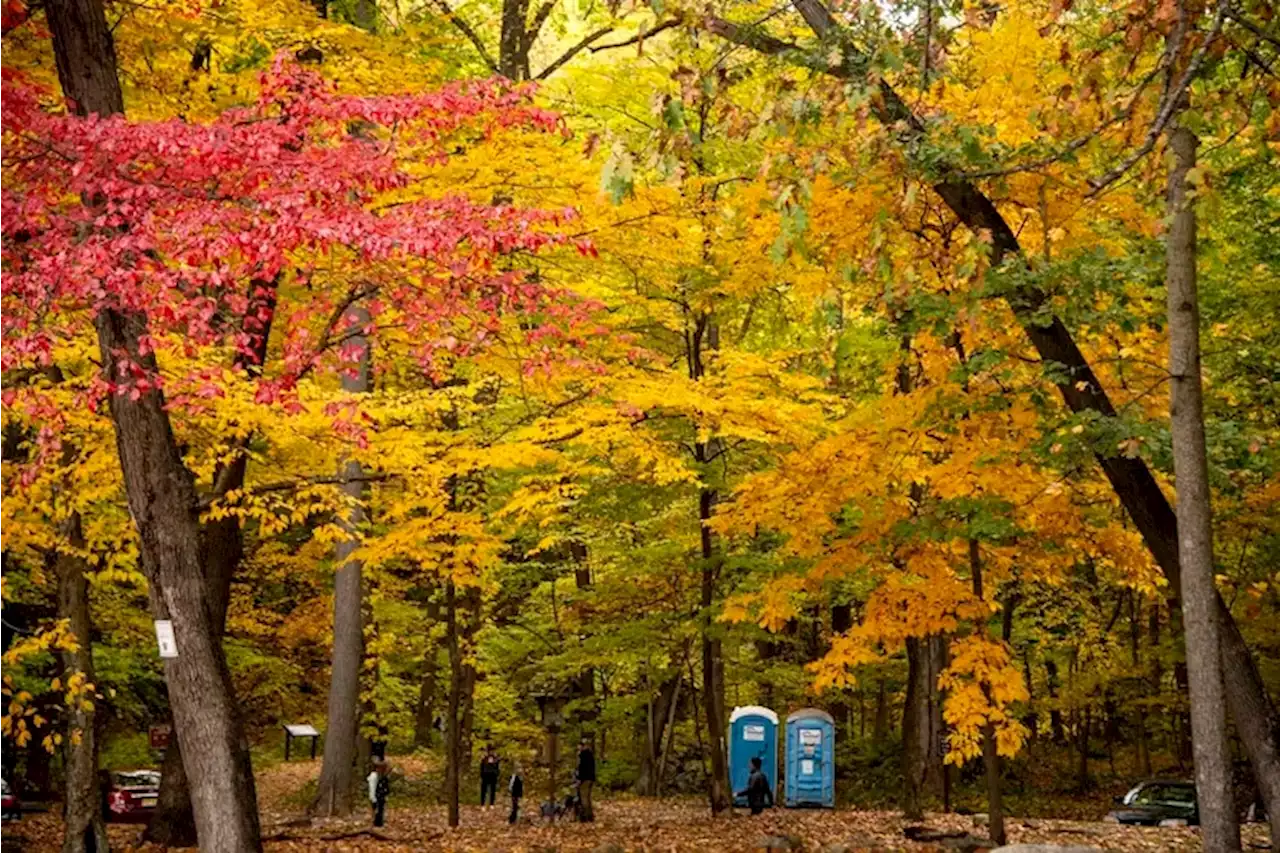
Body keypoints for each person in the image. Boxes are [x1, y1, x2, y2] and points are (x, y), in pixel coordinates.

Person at [575, 736, 596, 822]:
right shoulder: (590, 754)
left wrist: (580, 779)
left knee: (584, 798)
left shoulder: (584, 755)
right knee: (587, 797)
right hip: (590, 778)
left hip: (585, 779)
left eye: (580, 746)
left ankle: (586, 816)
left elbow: (583, 768)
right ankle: (590, 816)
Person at [367, 758, 391, 827]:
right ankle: (375, 822)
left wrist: (386, 794)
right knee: (376, 809)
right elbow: (372, 788)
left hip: (381, 796)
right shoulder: (374, 776)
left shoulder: (383, 777)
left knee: (381, 809)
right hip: (376, 796)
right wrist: (373, 797)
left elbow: (386, 787)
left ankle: (379, 822)